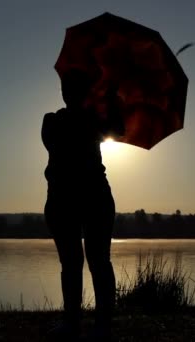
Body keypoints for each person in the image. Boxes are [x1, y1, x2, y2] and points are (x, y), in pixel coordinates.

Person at [42, 68, 124, 341]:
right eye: (67, 87)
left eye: (73, 87)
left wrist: (112, 101)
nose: (68, 92)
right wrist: (105, 105)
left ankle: (100, 325)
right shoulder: (53, 121)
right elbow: (56, 140)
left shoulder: (95, 119)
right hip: (64, 199)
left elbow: (117, 129)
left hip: (93, 198)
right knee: (72, 262)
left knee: (98, 261)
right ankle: (73, 323)